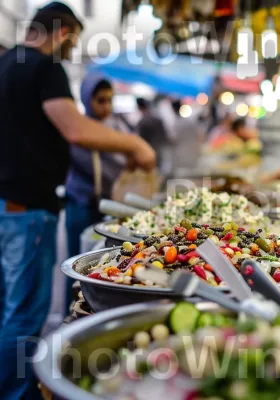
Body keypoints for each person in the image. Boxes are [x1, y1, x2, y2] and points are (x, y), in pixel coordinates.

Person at [0, 3, 155, 398]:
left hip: (7, 203)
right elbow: (74, 128)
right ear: (64, 32)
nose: (70, 50)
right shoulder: (44, 66)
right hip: (28, 209)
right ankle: (18, 393)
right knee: (23, 314)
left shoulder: (5, 64)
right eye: (73, 40)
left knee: (6, 307)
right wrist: (134, 143)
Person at [64, 73, 128, 311]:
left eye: (110, 100)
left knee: (105, 262)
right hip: (81, 203)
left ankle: (101, 306)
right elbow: (112, 162)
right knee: (77, 265)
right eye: (100, 100)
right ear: (86, 99)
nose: (106, 107)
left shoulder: (118, 127)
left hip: (109, 204)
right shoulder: (78, 130)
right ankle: (72, 313)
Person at [137, 98, 170, 173]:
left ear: (139, 107)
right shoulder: (157, 118)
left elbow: (140, 140)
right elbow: (165, 135)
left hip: (149, 152)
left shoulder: (142, 122)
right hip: (160, 151)